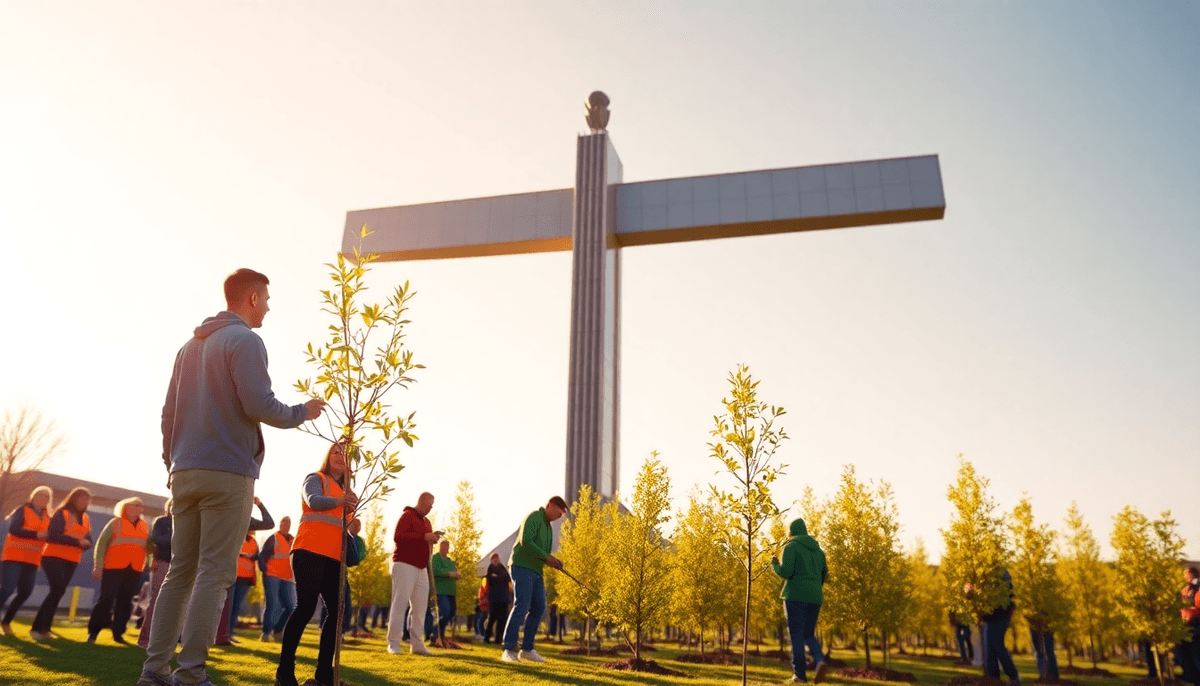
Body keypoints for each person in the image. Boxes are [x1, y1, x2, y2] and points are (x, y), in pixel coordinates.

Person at [138, 268, 325, 686]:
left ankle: (154, 672)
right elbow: (260, 404)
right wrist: (303, 412)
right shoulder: (246, 340)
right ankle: (191, 674)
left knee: (180, 571)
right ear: (253, 298)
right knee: (214, 573)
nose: (270, 308)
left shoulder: (188, 347)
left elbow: (168, 414)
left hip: (183, 472)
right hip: (227, 473)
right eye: (268, 300)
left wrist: (173, 461)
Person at [275, 441, 359, 686]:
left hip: (334, 557)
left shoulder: (347, 494)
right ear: (327, 457)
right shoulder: (316, 478)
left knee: (337, 612)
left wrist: (352, 520)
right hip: (308, 551)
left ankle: (324, 674)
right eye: (335, 452)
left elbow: (342, 525)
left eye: (344, 454)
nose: (339, 457)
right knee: (305, 608)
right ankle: (284, 672)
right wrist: (342, 501)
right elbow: (313, 501)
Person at [501, 496, 567, 663]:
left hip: (536, 571)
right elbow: (526, 542)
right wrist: (547, 557)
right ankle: (508, 649)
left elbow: (544, 554)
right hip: (521, 566)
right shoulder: (534, 517)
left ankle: (527, 649)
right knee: (522, 605)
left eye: (561, 515)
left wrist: (553, 561)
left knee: (539, 608)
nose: (559, 517)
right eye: (558, 513)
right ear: (549, 505)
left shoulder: (549, 528)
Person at [771, 517, 829, 684]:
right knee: (808, 634)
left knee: (796, 636)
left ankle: (800, 676)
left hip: (795, 595)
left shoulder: (791, 547)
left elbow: (786, 571)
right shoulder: (819, 552)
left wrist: (774, 564)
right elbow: (824, 574)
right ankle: (820, 661)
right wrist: (814, 587)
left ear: (791, 531)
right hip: (815, 597)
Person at [31, 487, 93, 641]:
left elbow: (89, 540)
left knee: (58, 591)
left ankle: (44, 628)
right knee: (57, 589)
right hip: (53, 556)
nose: (84, 501)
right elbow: (53, 536)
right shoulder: (62, 513)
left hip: (72, 559)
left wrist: (86, 544)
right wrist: (77, 541)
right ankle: (38, 628)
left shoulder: (85, 518)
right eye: (82, 498)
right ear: (73, 498)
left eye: (87, 499)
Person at [88, 496, 151, 644]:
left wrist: (151, 561)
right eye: (136, 505)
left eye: (141, 506)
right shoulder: (115, 523)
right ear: (125, 507)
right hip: (113, 567)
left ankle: (118, 633)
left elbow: (148, 547)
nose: (139, 508)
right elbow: (102, 544)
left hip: (134, 568)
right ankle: (93, 632)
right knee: (107, 598)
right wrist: (98, 565)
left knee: (125, 601)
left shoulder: (145, 526)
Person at [215, 497, 274, 646]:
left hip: (245, 578)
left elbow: (269, 523)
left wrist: (260, 505)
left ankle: (228, 634)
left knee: (235, 608)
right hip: (230, 573)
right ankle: (219, 634)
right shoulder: (228, 519)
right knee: (225, 605)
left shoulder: (251, 537)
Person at [387, 491, 440, 656]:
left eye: (432, 506)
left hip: (422, 567)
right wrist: (424, 537)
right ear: (422, 501)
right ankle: (394, 643)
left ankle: (417, 644)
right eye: (429, 505)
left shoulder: (427, 522)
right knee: (400, 604)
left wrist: (432, 539)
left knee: (420, 608)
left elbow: (425, 541)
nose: (430, 509)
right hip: (404, 564)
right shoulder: (407, 515)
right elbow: (398, 537)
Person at [0, 486, 52, 636]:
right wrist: (37, 534)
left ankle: (6, 622)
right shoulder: (22, 510)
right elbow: (14, 530)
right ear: (33, 496)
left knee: (25, 592)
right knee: (8, 589)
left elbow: (47, 539)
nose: (43, 499)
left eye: (46, 497)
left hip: (32, 559)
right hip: (14, 556)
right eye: (40, 495)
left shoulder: (49, 517)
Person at [137, 499, 174, 649]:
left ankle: (165, 642)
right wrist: (177, 538)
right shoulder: (162, 521)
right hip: (163, 563)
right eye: (173, 505)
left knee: (174, 604)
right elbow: (157, 539)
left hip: (181, 566)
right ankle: (144, 640)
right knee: (156, 600)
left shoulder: (189, 523)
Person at [979, 570, 1020, 686]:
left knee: (997, 645)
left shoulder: (1001, 572)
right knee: (990, 648)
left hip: (1001, 613)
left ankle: (1014, 676)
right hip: (989, 616)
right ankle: (994, 678)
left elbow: (1009, 590)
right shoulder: (983, 570)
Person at [258, 516, 296, 642]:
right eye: (283, 523)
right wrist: (265, 571)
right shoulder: (273, 538)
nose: (285, 525)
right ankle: (265, 633)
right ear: (280, 525)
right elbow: (262, 556)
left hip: (288, 577)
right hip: (272, 575)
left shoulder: (293, 540)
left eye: (287, 523)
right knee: (272, 604)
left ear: (290, 525)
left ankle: (278, 630)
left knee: (291, 607)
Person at [431, 538, 462, 644]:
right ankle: (434, 634)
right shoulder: (436, 558)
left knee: (452, 613)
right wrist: (449, 573)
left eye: (447, 546)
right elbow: (434, 570)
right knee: (445, 612)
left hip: (451, 591)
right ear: (439, 547)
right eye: (443, 545)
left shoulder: (450, 561)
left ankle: (439, 635)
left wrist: (457, 575)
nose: (445, 548)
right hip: (441, 590)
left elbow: (454, 571)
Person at [1178, 566, 1200, 685]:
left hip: (1197, 625)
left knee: (1196, 655)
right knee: (1183, 653)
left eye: (1187, 574)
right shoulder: (1185, 590)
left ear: (1193, 575)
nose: (1185, 577)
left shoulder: (1198, 588)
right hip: (1186, 626)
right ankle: (1191, 677)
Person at [484, 552, 510, 644]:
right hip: (494, 598)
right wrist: (499, 578)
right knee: (492, 618)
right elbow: (491, 579)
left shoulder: (502, 568)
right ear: (491, 560)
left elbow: (507, 578)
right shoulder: (490, 568)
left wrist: (498, 577)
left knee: (502, 619)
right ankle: (486, 638)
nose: (496, 560)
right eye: (494, 558)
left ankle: (498, 640)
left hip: (503, 598)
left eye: (497, 558)